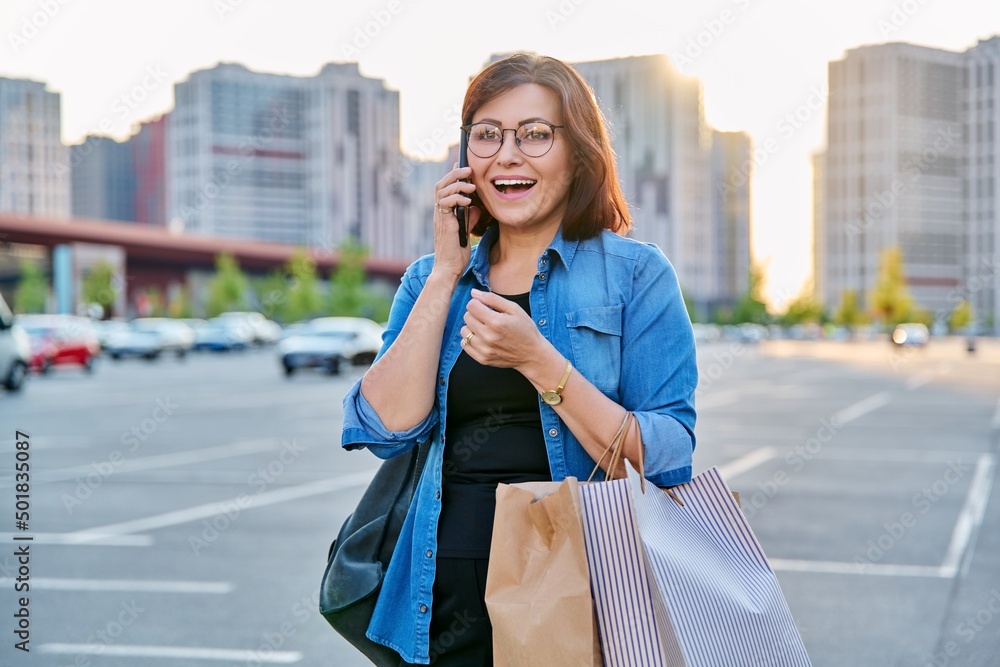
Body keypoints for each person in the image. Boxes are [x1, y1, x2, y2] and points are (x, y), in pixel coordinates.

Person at [341, 52, 698, 666]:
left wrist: (541, 364)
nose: (507, 154)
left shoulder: (636, 275)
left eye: (535, 134)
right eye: (487, 134)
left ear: (578, 152)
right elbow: (383, 429)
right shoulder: (431, 279)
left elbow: (667, 454)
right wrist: (447, 272)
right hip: (441, 590)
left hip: (581, 580)